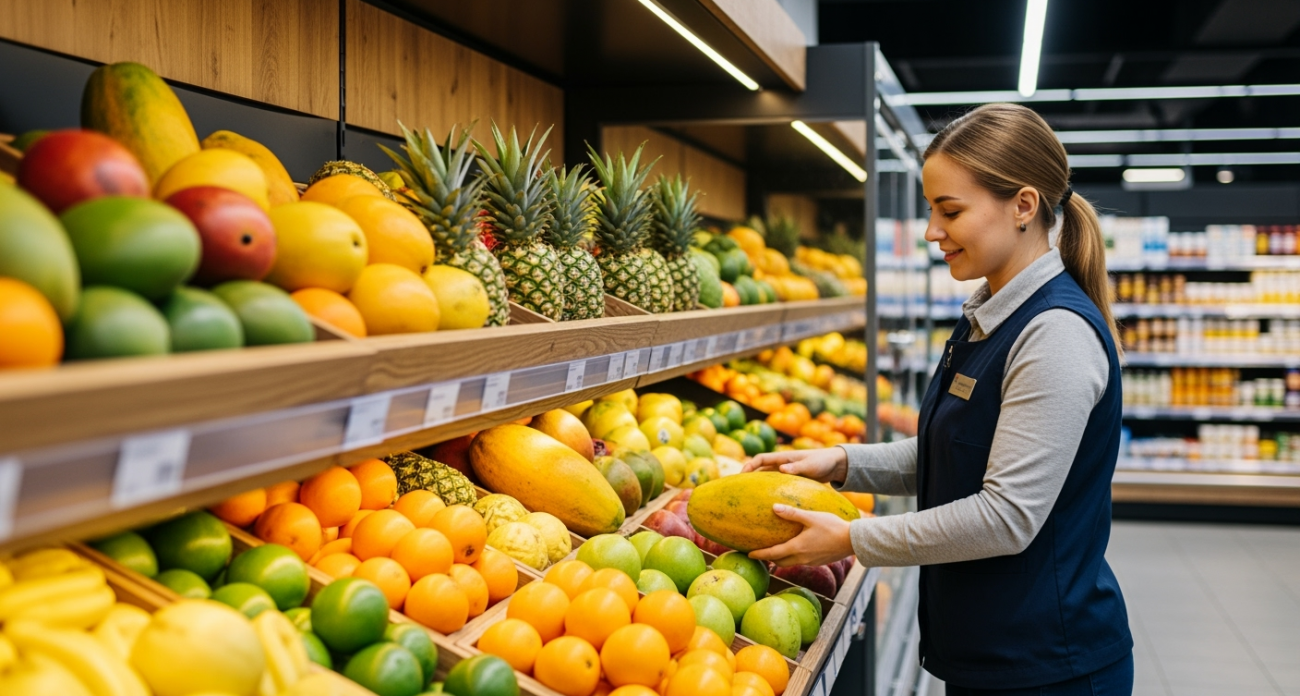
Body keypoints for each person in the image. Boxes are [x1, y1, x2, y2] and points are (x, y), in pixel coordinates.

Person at [744, 103, 1133, 695]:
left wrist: (852, 540)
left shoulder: (1053, 334)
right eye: (931, 209)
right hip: (992, 655)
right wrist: (845, 464)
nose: (931, 231)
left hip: (1049, 667)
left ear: (1023, 206)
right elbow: (957, 448)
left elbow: (1007, 516)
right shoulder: (989, 314)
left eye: (950, 211)